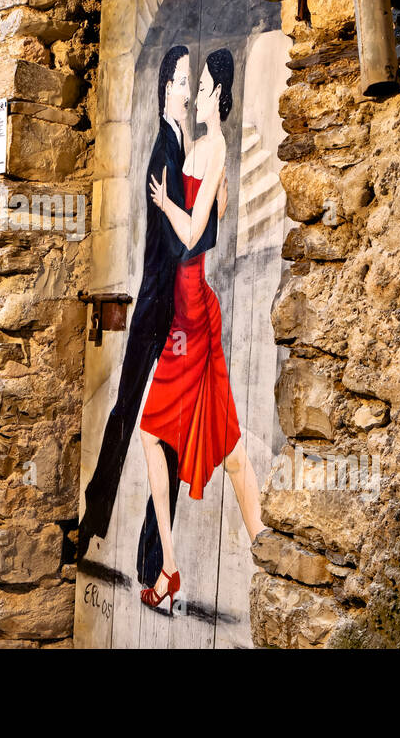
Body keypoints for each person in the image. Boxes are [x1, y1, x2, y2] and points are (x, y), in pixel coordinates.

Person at [138, 48, 266, 614]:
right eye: (198, 86)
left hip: (192, 312)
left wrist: (166, 204)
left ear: (222, 97)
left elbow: (192, 234)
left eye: (207, 87)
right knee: (222, 441)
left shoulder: (215, 152)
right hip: (189, 309)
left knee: (172, 434)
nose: (200, 95)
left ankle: (174, 567)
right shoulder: (196, 146)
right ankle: (253, 537)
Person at [77, 46, 194, 580]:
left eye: (192, 79)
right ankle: (106, 526)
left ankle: (145, 555)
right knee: (131, 413)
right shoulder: (164, 153)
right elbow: (173, 244)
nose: (190, 90)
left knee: (153, 423)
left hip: (171, 303)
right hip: (157, 305)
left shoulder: (180, 144)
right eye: (184, 78)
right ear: (168, 86)